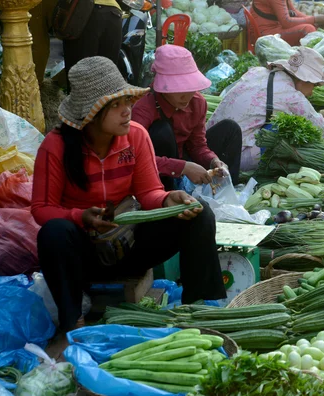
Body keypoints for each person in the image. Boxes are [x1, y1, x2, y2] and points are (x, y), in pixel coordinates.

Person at [32, 56, 226, 358]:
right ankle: (73, 325)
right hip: (84, 255)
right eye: (116, 105)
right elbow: (41, 209)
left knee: (199, 214)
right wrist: (79, 216)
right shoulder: (56, 146)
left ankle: (199, 310)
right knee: (54, 232)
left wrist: (168, 200)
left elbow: (149, 192)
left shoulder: (136, 135)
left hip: (130, 242)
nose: (128, 111)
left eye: (128, 101)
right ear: (93, 112)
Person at [208, 47, 324, 172]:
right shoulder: (292, 98)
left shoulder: (259, 73)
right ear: (305, 80)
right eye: (314, 86)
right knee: (291, 142)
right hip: (229, 158)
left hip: (209, 143)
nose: (312, 93)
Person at [132, 45, 242, 190]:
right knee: (162, 131)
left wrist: (213, 161)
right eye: (177, 89)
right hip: (157, 169)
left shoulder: (197, 102)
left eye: (189, 87)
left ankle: (227, 190)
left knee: (230, 128)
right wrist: (182, 168)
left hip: (186, 159)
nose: (186, 96)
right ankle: (167, 192)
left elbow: (197, 146)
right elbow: (134, 159)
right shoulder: (143, 108)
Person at [63, 0, 123, 91]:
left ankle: (81, 104)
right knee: (107, 74)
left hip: (85, 10)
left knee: (79, 75)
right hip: (114, 12)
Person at [250, 0, 324, 46]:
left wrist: (314, 20)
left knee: (311, 26)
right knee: (308, 29)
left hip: (274, 27)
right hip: (265, 36)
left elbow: (294, 12)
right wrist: (314, 19)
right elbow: (286, 22)